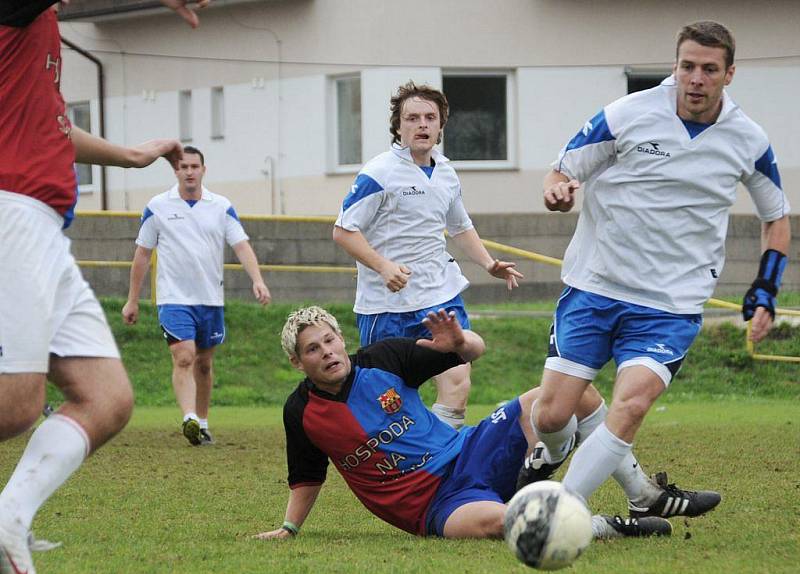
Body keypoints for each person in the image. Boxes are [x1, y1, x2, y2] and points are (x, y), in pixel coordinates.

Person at [526, 21, 790, 513]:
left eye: (709, 69)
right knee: (551, 413)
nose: (696, 79)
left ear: (728, 74)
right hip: (596, 286)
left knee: (632, 405)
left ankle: (559, 512)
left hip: (670, 303)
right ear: (675, 66)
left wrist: (765, 289)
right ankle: (556, 453)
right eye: (687, 66)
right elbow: (561, 171)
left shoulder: (748, 139)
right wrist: (556, 192)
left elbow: (776, 218)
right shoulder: (627, 114)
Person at [0, 1, 211, 574]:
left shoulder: (33, 36)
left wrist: (131, 156)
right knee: (15, 405)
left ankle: (7, 522)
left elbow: (51, 129)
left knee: (108, 398)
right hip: (11, 211)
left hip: (41, 225)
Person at [254, 306, 672, 542]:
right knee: (506, 523)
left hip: (471, 449)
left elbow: (475, 349)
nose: (327, 352)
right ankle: (608, 526)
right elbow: (307, 477)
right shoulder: (301, 412)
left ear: (341, 338)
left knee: (573, 394)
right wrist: (289, 528)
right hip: (434, 507)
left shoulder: (383, 358)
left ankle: (630, 487)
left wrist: (458, 343)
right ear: (297, 362)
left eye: (330, 340)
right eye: (312, 349)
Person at [333, 82, 523, 430]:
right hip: (386, 304)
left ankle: (440, 457)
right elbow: (343, 230)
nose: (422, 124)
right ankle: (398, 462)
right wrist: (383, 266)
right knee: (387, 397)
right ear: (398, 126)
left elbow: (460, 226)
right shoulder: (379, 172)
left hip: (439, 293)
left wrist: (488, 263)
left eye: (430, 118)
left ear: (440, 126)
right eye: (412, 118)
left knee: (457, 379)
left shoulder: (447, 173)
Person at [122, 146, 271, 446]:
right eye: (183, 167)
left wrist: (257, 280)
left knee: (204, 363)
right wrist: (132, 299)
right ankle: (188, 416)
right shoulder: (158, 206)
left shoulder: (221, 206)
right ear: (175, 171)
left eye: (194, 166)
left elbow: (241, 245)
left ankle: (202, 422)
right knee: (184, 357)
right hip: (174, 299)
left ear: (203, 170)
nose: (189, 172)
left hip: (211, 300)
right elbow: (142, 254)